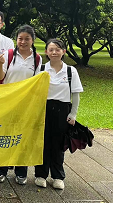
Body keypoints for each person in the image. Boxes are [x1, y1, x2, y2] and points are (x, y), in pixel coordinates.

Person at [0, 25, 42, 185]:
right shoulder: (8, 55)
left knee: (23, 137)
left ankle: (21, 171)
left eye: (27, 39)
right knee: (5, 136)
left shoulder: (37, 58)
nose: (23, 42)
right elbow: (0, 78)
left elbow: (36, 83)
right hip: (8, 103)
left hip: (26, 105)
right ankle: (1, 169)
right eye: (20, 38)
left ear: (32, 40)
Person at [34, 38, 83, 190]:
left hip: (63, 110)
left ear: (64, 52)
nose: (54, 52)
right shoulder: (41, 69)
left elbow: (75, 94)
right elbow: (34, 92)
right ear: (46, 52)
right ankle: (40, 175)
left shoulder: (70, 71)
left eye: (57, 49)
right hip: (44, 109)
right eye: (51, 49)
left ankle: (57, 176)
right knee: (43, 143)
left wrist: (73, 114)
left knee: (58, 144)